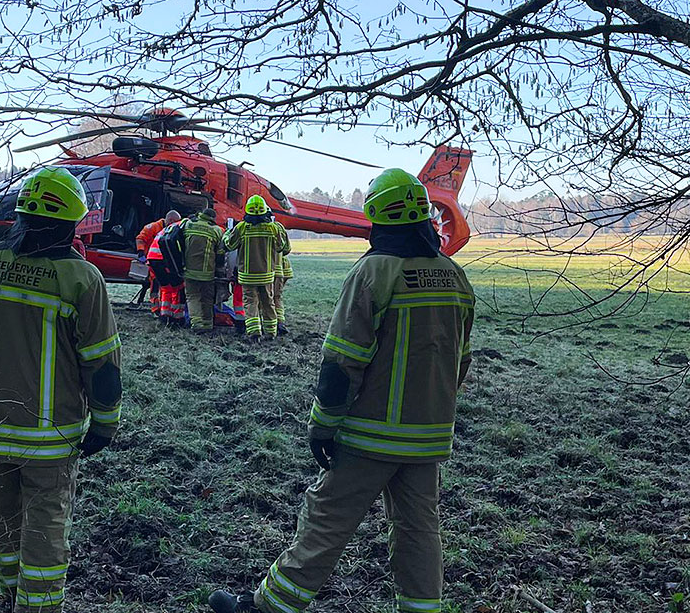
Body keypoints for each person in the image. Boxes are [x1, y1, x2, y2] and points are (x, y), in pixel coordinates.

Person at [208, 168, 474, 613]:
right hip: (428, 437)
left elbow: (341, 362)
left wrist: (322, 425)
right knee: (419, 527)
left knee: (326, 520)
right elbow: (459, 362)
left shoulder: (373, 273)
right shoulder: (455, 277)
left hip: (369, 434)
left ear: (375, 215)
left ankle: (269, 607)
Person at [0, 167, 123, 612]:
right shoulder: (81, 279)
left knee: (3, 521)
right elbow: (102, 363)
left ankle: (9, 594)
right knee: (45, 530)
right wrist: (105, 424)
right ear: (71, 223)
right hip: (51, 436)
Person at [222, 196, 289, 340]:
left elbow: (229, 245)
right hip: (266, 275)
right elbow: (284, 248)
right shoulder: (273, 228)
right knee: (268, 303)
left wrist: (227, 233)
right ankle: (271, 333)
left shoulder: (241, 228)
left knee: (250, 302)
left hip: (247, 276)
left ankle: (254, 333)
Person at [182, 208, 225, 333]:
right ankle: (208, 323)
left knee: (192, 296)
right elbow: (220, 253)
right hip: (207, 272)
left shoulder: (189, 224)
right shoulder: (216, 230)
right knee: (207, 298)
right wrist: (220, 272)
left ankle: (196, 323)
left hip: (189, 270)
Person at [138, 210, 182, 316]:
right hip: (154, 260)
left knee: (164, 287)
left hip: (158, 260)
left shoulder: (168, 229)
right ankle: (155, 308)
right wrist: (140, 253)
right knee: (156, 286)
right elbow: (140, 238)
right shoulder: (153, 227)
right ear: (171, 220)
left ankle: (162, 309)